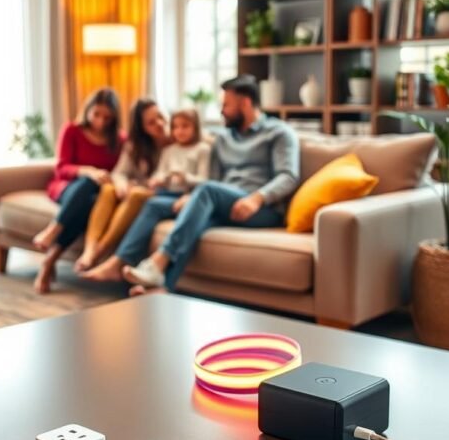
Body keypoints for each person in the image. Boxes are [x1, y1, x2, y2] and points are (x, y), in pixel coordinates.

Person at [84, 74, 299, 291]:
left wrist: (256, 198)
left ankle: (158, 262)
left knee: (205, 194)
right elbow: (211, 177)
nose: (221, 110)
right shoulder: (223, 138)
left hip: (261, 209)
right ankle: (151, 281)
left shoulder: (279, 133)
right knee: (156, 205)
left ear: (245, 103)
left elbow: (288, 176)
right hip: (223, 201)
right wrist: (191, 197)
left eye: (226, 105)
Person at [33, 87, 124, 293]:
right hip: (66, 187)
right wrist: (87, 171)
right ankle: (52, 230)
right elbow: (61, 168)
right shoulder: (72, 130)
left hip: (95, 196)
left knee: (89, 203)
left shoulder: (119, 140)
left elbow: (123, 169)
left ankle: (49, 259)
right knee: (87, 184)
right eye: (97, 114)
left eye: (107, 118)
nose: (100, 121)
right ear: (88, 110)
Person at [74, 98, 170, 272]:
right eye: (151, 122)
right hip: (137, 189)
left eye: (160, 117)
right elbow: (119, 173)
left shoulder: (177, 140)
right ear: (141, 128)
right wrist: (122, 184)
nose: (159, 124)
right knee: (109, 188)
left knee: (136, 194)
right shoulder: (136, 146)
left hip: (157, 194)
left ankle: (100, 250)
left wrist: (140, 186)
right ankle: (90, 248)